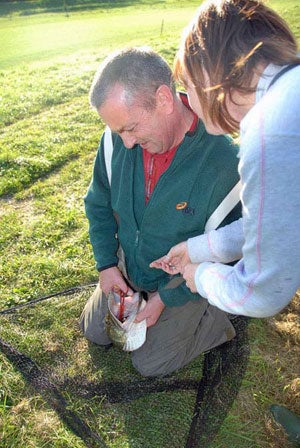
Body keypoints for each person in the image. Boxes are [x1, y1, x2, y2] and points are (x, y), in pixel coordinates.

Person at [80, 47, 242, 377]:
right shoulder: (114, 142)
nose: (125, 143)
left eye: (131, 128)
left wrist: (166, 297)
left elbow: (227, 251)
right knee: (95, 332)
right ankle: (137, 289)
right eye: (117, 131)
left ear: (164, 100)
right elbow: (97, 205)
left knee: (149, 362)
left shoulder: (224, 163)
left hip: (185, 274)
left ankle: (213, 319)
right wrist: (108, 266)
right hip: (130, 261)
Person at [151, 0, 300, 318]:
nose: (189, 101)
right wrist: (194, 249)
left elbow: (262, 293)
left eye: (187, 87)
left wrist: (200, 275)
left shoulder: (267, 131)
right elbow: (270, 222)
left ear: (207, 75)